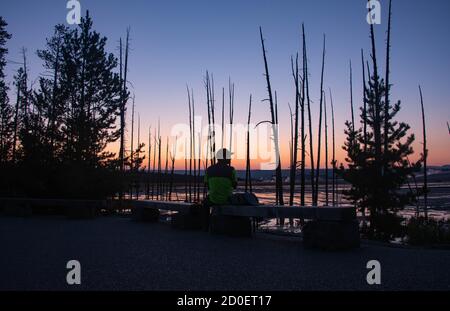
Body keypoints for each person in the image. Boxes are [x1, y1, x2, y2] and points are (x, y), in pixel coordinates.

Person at [202, 148, 237, 230]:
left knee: (204, 203)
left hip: (213, 199)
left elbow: (207, 185)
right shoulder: (231, 170)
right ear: (224, 158)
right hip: (227, 199)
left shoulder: (209, 169)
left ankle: (205, 226)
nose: (230, 158)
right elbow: (235, 185)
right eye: (228, 156)